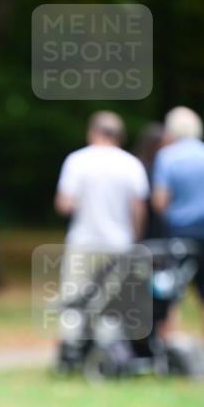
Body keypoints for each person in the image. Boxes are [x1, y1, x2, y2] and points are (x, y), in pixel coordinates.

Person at [54, 111, 149, 361]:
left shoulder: (77, 161)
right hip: (119, 244)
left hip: (83, 241)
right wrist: (135, 239)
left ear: (93, 132)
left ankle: (71, 351)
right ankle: (106, 353)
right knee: (112, 300)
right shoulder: (131, 164)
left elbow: (65, 203)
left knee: (75, 295)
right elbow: (138, 208)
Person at [151, 107, 204, 373]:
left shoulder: (167, 158)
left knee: (170, 296)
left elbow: (160, 200)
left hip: (179, 235)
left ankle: (170, 355)